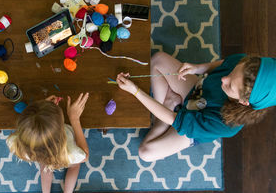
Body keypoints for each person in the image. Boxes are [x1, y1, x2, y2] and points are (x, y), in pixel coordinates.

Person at [116, 52, 276, 162]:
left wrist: (135, 91)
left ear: (243, 101)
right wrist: (197, 68)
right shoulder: (243, 62)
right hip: (197, 90)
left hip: (195, 126)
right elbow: (222, 64)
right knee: (157, 59)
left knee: (145, 152)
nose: (223, 80)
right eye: (232, 72)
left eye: (231, 86)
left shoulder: (227, 125)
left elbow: (176, 119)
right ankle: (167, 106)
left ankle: (163, 115)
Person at [6, 93, 89, 193]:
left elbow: (25, 131)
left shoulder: (15, 142)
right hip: (64, 156)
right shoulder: (72, 152)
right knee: (75, 166)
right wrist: (74, 119)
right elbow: (84, 155)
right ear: (60, 128)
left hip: (38, 155)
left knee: (44, 167)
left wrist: (40, 113)